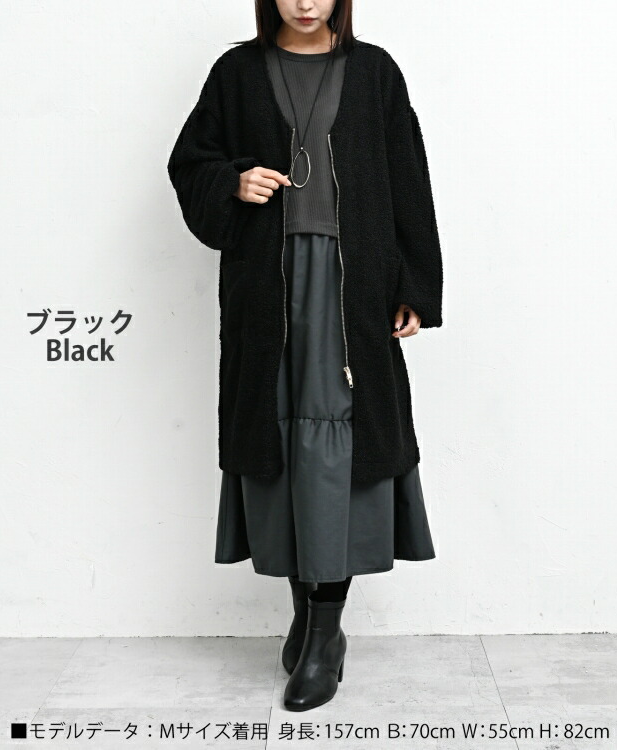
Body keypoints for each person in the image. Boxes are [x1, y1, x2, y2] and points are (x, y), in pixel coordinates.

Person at [167, 0, 444, 712]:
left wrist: (415, 285)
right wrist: (233, 179)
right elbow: (190, 161)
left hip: (355, 287)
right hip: (267, 287)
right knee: (280, 443)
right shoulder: (237, 72)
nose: (305, 1)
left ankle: (324, 633)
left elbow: (408, 176)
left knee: (340, 445)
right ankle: (308, 617)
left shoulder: (375, 72)